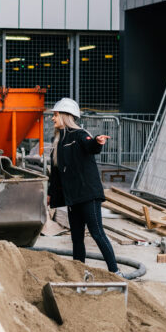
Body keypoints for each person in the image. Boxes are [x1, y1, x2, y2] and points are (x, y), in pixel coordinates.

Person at [46, 98, 130, 279]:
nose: (53, 118)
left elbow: (90, 145)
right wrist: (50, 194)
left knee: (97, 233)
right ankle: (79, 272)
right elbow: (55, 172)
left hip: (88, 195)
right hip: (73, 197)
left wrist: (97, 142)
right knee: (76, 237)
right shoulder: (58, 141)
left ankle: (115, 271)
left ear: (65, 116)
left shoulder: (80, 135)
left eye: (55, 115)